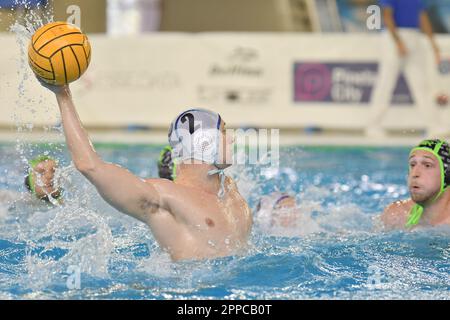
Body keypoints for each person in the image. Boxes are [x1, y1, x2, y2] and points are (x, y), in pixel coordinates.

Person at [37, 82, 252, 261]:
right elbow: (90, 165)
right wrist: (62, 94)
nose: (232, 138)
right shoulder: (163, 198)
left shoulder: (229, 188)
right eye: (224, 132)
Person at [367, 0, 443, 137]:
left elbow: (422, 17)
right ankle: (373, 125)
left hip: (414, 36)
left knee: (421, 84)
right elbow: (387, 15)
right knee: (386, 83)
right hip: (394, 37)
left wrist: (433, 42)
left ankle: (434, 126)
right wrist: (398, 41)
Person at [381, 139, 450, 229]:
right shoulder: (396, 214)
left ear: (447, 174)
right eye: (413, 165)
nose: (415, 173)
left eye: (427, 165)